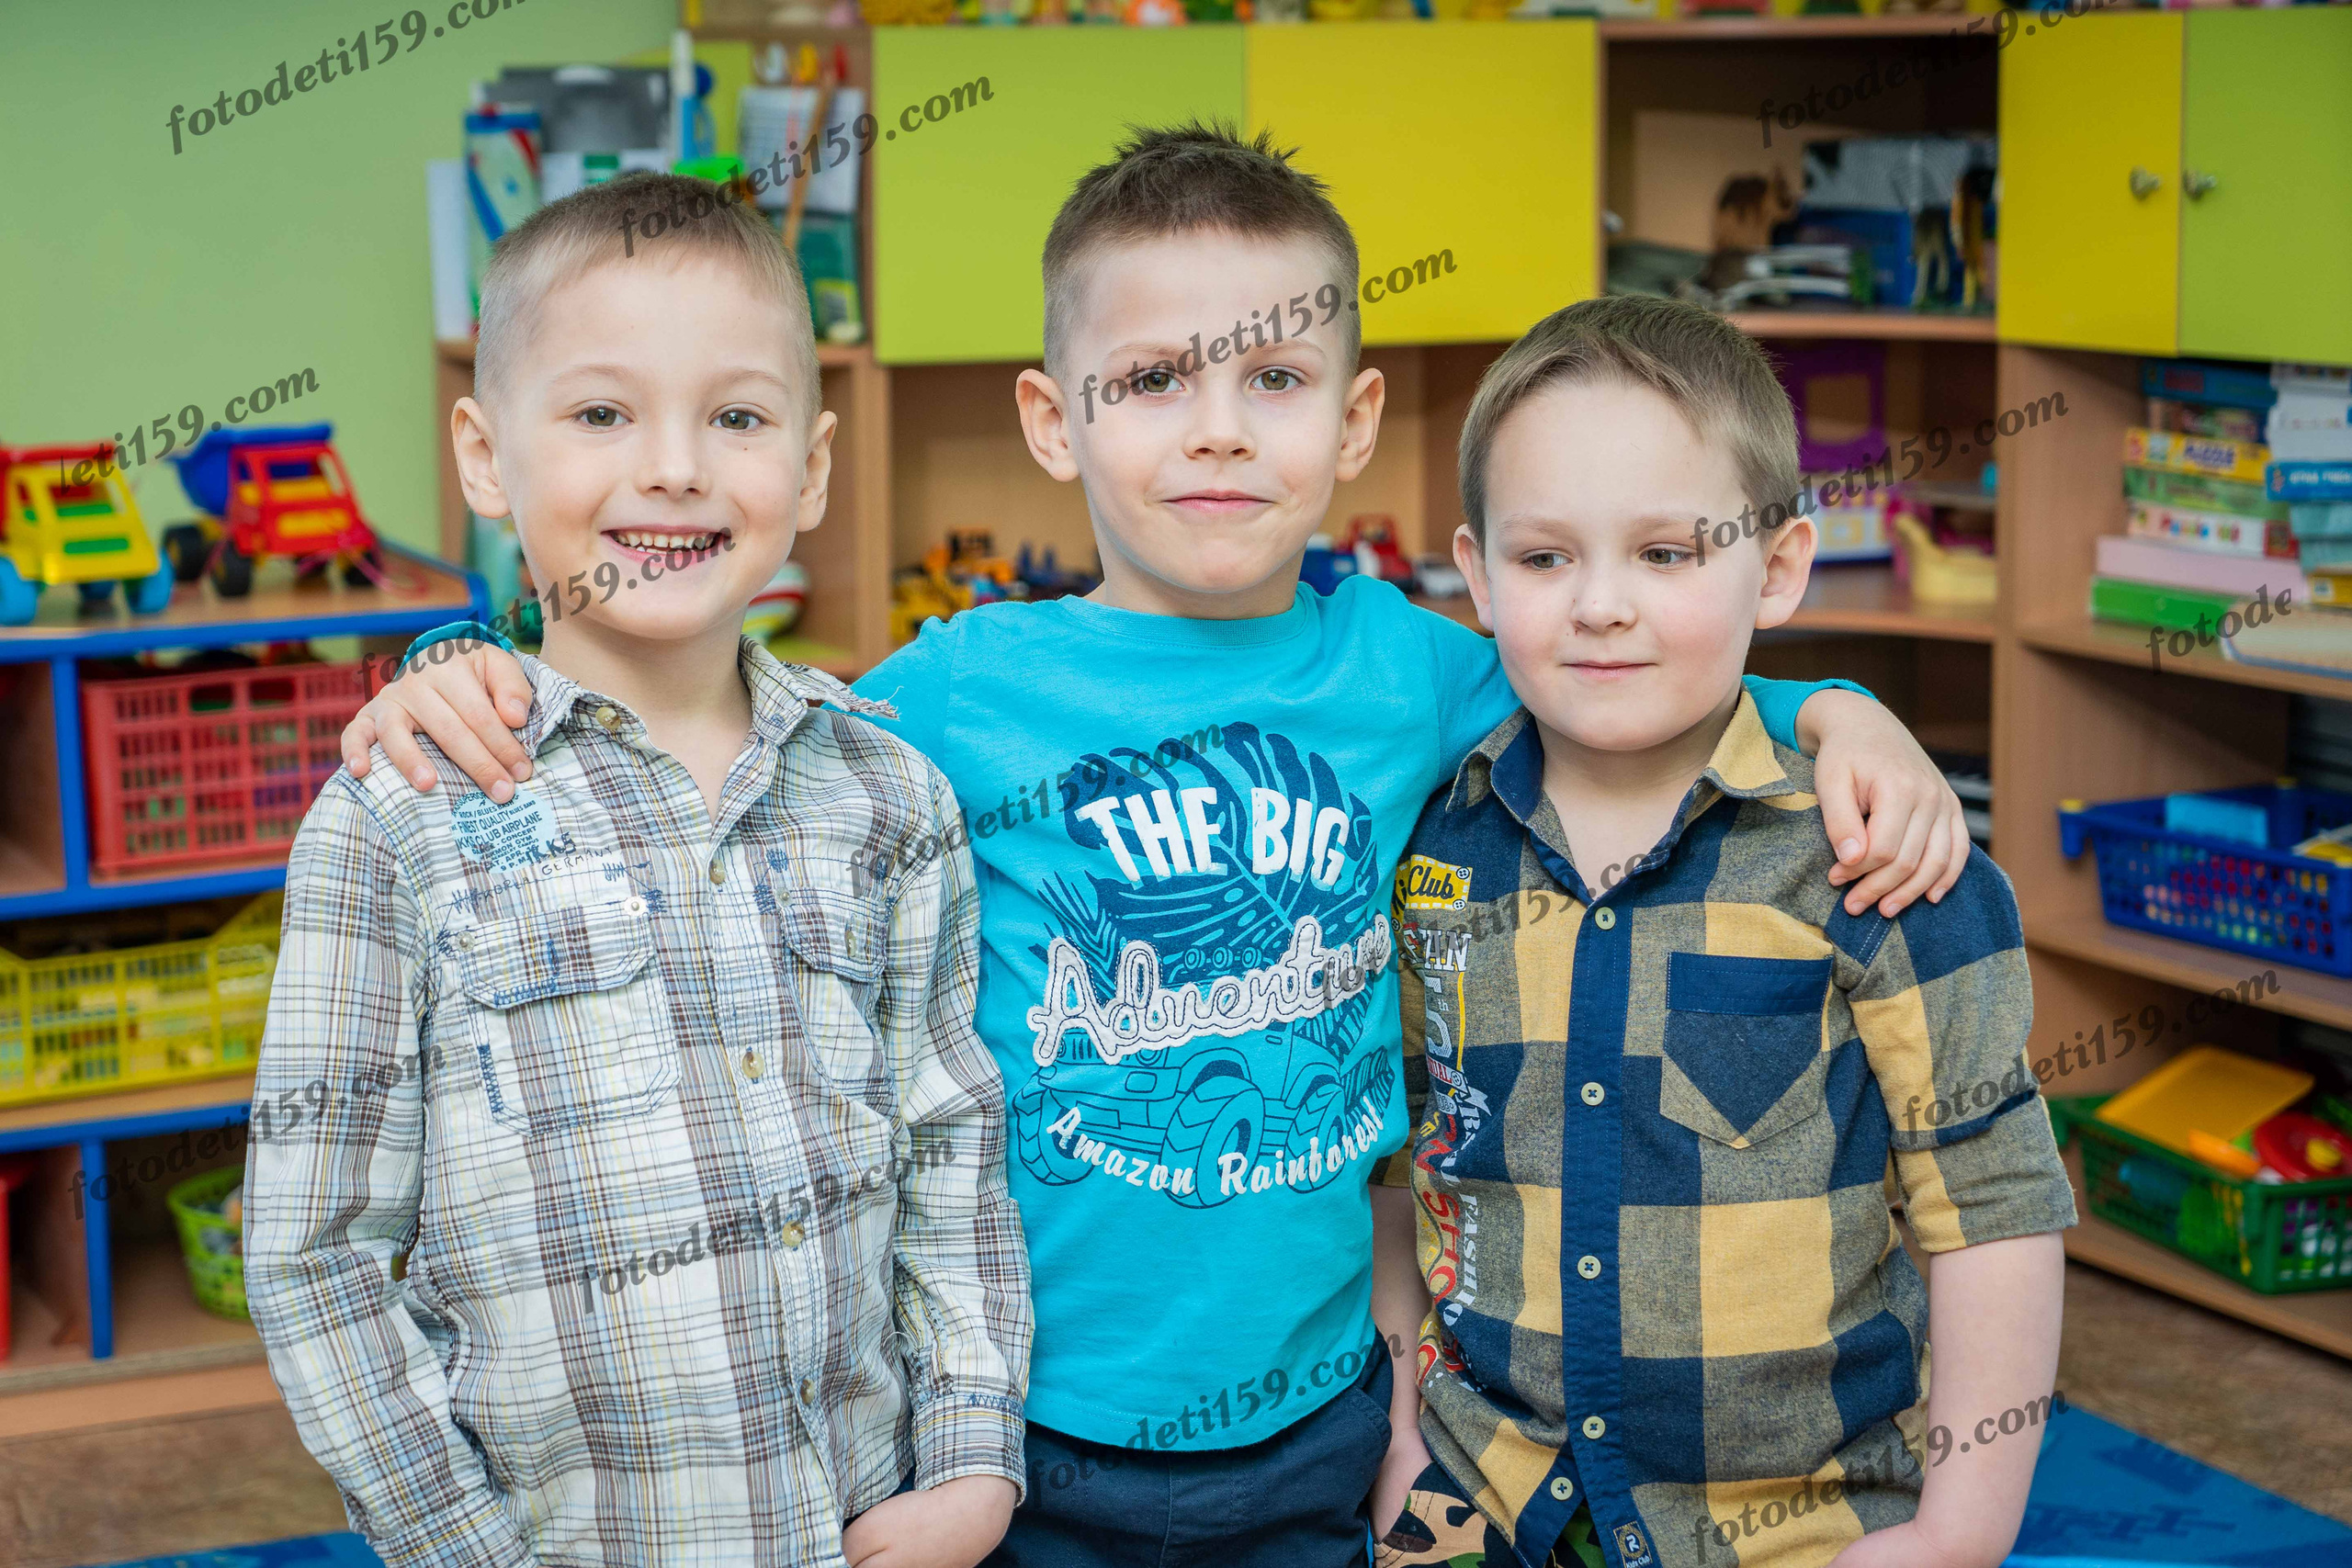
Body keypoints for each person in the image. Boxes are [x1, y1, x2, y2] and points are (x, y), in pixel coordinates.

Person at [336, 127, 1973, 1567]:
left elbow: (1629, 668)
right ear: (1054, 419)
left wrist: (1830, 704)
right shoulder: (952, 695)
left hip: (1324, 1413)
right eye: (1153, 382)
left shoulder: (1415, 671)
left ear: (1354, 420)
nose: (1215, 431)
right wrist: (461, 665)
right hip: (1020, 1427)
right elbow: (706, 714)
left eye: (1272, 380)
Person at [244, 172, 1030, 1568]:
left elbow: (950, 1158)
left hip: (866, 1524)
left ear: (815, 464)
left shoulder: (892, 796)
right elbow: (319, 1255)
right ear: (486, 458)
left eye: (736, 416)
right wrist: (468, 1549)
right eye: (603, 413)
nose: (674, 466)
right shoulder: (400, 813)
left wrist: (974, 1463)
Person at [1370, 296, 2073, 1568]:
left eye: (1668, 553)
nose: (1599, 605)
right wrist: (1405, 1447)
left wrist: (1965, 1531)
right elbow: (1399, 1161)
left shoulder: (1879, 858)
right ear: (1474, 576)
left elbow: (1996, 1204)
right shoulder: (1432, 849)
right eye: (1544, 559)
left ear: (1783, 567)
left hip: (1798, 1527)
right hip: (1481, 1501)